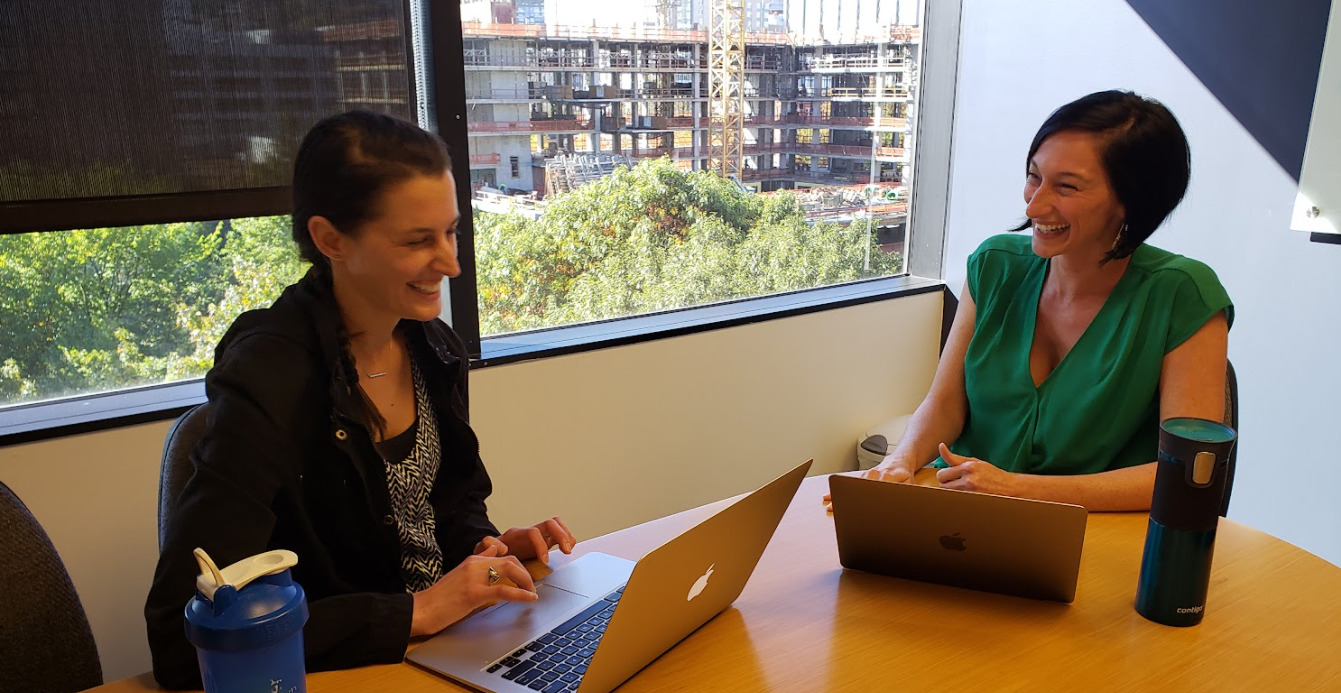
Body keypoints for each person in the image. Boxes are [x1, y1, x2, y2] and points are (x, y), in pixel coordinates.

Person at [145, 110, 576, 689]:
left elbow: (443, 505)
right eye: (418, 240)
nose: (450, 263)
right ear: (330, 240)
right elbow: (179, 638)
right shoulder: (269, 379)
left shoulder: (433, 348)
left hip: (448, 648)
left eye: (451, 231)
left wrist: (483, 546)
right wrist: (417, 612)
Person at [862, 90, 1231, 511]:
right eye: (1034, 176)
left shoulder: (1183, 293)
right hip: (965, 517)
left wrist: (1016, 488)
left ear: (1132, 201)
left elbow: (1187, 474)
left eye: (1067, 187)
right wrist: (901, 459)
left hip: (1102, 536)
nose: (1035, 204)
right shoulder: (994, 265)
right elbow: (944, 404)